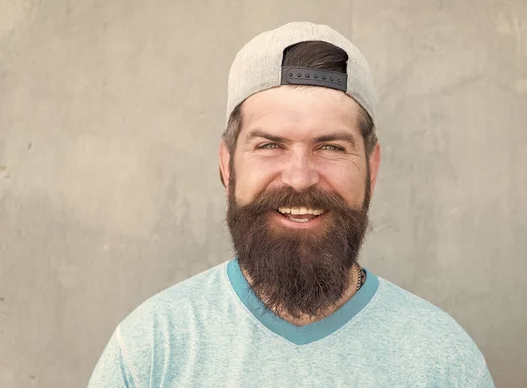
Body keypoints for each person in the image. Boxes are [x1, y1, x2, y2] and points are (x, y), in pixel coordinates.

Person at [88, 21, 495, 387]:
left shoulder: (445, 363)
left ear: (372, 167)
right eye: (269, 145)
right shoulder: (149, 352)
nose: (300, 177)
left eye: (331, 147)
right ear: (227, 165)